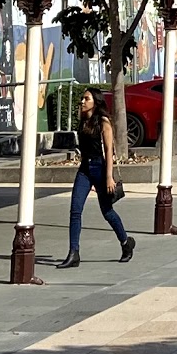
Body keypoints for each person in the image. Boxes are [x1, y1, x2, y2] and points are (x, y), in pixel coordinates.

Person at [58, 87, 135, 267]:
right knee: (75, 210)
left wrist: (108, 177)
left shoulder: (103, 122)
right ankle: (74, 253)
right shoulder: (83, 120)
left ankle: (126, 243)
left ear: (96, 102)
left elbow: (109, 151)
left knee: (107, 212)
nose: (82, 101)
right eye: (82, 98)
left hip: (100, 168)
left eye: (86, 99)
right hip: (84, 170)